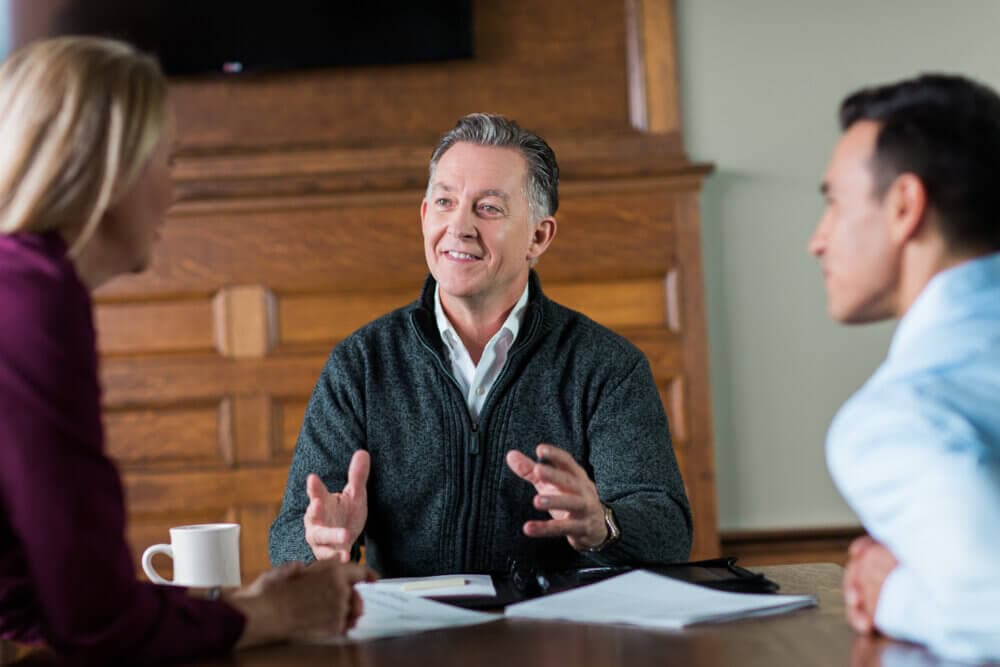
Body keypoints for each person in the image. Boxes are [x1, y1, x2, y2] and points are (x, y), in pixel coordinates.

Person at [0, 37, 368, 665]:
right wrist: (261, 614)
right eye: (166, 161)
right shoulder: (32, 299)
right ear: (110, 167)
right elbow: (94, 621)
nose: (174, 191)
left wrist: (240, 611)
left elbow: (27, 605)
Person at [269, 113, 692, 577]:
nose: (460, 226)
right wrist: (322, 546)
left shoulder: (606, 366)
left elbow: (668, 530)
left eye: (488, 208)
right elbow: (291, 531)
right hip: (411, 639)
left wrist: (604, 526)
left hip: (557, 636)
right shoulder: (361, 364)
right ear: (425, 216)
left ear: (538, 236)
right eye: (446, 202)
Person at [809, 73, 1000, 662]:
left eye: (834, 202)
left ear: (904, 206)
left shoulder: (900, 417)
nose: (818, 241)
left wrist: (890, 591)